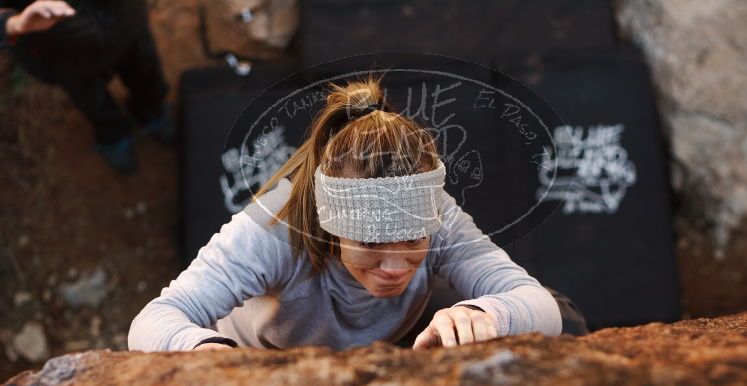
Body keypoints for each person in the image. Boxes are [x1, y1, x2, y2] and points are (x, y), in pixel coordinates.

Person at [127, 76, 565, 352]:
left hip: (386, 346)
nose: (395, 267)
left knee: (556, 313)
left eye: (414, 240)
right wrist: (208, 354)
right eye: (371, 243)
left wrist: (485, 315)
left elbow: (540, 306)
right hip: (269, 357)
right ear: (329, 224)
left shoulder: (439, 214)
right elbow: (154, 320)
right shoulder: (276, 226)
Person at [0, 0, 174, 173]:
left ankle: (152, 113)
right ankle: (113, 136)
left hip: (127, 21)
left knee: (145, 71)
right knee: (93, 100)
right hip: (61, 51)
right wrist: (13, 24)